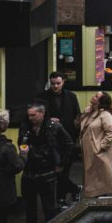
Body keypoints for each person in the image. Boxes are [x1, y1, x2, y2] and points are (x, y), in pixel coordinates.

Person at [19, 102, 73, 223]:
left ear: (42, 113)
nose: (30, 118)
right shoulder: (25, 126)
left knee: (49, 207)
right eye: (29, 115)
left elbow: (68, 143)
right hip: (29, 173)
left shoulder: (54, 126)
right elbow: (21, 143)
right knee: (29, 208)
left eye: (33, 115)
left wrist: (62, 163)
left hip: (47, 172)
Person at [36, 72, 80, 204]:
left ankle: (61, 197)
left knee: (64, 170)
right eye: (53, 83)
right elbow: (34, 116)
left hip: (67, 139)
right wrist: (48, 120)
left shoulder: (71, 96)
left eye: (58, 83)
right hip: (49, 139)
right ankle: (70, 191)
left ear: (63, 82)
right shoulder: (41, 97)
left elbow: (76, 117)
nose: (55, 86)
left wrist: (75, 137)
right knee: (55, 171)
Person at [77, 92, 112, 199]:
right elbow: (77, 124)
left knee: (100, 181)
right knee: (93, 179)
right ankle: (95, 203)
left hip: (98, 154)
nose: (93, 96)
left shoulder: (105, 115)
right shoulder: (90, 112)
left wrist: (100, 147)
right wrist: (84, 114)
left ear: (100, 102)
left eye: (96, 96)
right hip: (89, 152)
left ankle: (99, 205)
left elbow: (111, 132)